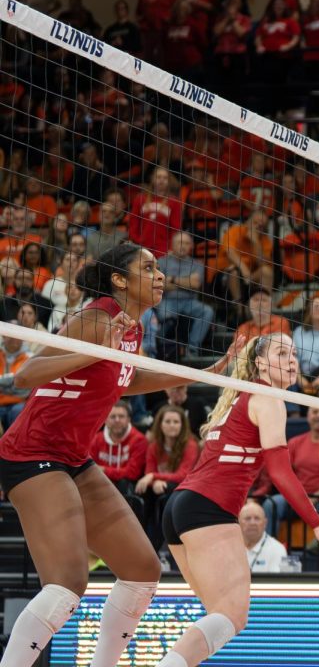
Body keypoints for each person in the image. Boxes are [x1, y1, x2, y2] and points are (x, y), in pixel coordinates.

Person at [0, 244, 233, 667]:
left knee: (143, 572)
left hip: (72, 457)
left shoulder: (132, 328)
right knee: (68, 584)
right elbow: (26, 376)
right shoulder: (96, 317)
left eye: (161, 268)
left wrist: (204, 373)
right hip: (32, 452)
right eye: (148, 268)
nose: (160, 275)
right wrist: (98, 349)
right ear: (120, 280)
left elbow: (123, 378)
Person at [157, 334, 319, 667]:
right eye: (282, 353)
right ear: (259, 363)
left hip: (182, 508)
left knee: (218, 617)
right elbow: (281, 473)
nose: (292, 359)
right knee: (231, 616)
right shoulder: (267, 399)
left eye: (295, 353)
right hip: (207, 509)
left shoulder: (240, 397)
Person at [266, 406, 319, 537]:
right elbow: (284, 473)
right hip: (296, 495)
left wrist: (314, 497)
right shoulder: (294, 443)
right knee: (272, 503)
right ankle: (267, 546)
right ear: (308, 417)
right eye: (315, 412)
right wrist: (298, 496)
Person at [135, 405, 198, 545]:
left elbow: (183, 475)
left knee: (169, 489)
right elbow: (148, 474)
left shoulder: (190, 445)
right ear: (160, 425)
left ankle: (163, 543)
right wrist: (155, 480)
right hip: (160, 486)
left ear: (182, 425)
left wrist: (154, 477)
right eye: (168, 422)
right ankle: (140, 540)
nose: (172, 425)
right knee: (142, 492)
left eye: (176, 422)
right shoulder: (154, 447)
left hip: (184, 488)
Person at [156, 233, 214, 360]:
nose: (183, 246)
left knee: (207, 311)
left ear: (191, 246)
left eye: (187, 243)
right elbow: (159, 284)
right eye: (180, 242)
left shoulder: (198, 264)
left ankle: (192, 349)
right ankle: (160, 349)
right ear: (172, 244)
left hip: (190, 302)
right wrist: (186, 282)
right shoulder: (161, 261)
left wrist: (171, 279)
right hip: (167, 300)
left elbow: (196, 284)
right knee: (165, 316)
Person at [89, 399, 147, 495]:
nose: (117, 420)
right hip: (100, 485)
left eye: (121, 416)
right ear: (105, 420)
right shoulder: (96, 439)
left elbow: (132, 473)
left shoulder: (139, 439)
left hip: (125, 488)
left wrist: (103, 470)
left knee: (124, 482)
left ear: (128, 419)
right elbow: (90, 469)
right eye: (112, 416)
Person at [239, 500, 288, 573]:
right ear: (238, 522)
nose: (252, 523)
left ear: (265, 523)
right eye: (247, 518)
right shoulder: (228, 547)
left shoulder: (277, 549)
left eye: (257, 518)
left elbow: (276, 582)